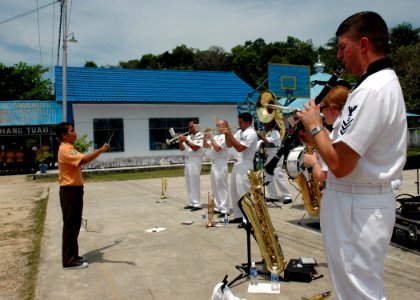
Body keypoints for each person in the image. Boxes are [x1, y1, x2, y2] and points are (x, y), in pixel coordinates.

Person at [297, 11, 407, 299]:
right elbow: (344, 151)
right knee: (356, 288)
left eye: (343, 47)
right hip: (359, 201)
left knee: (359, 292)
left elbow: (340, 164)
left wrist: (315, 124)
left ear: (364, 44)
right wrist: (315, 137)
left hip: (356, 203)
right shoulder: (380, 84)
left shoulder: (371, 91)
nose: (339, 56)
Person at [55, 122, 110, 269]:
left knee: (74, 225)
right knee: (70, 226)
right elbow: (84, 160)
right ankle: (69, 261)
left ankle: (73, 255)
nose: (75, 133)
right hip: (69, 192)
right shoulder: (66, 150)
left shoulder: (69, 148)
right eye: (72, 131)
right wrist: (101, 150)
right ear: (64, 135)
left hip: (74, 191)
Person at [302, 82, 350, 185]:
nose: (321, 113)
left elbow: (324, 176)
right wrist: (315, 143)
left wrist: (313, 162)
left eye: (322, 108)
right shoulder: (342, 127)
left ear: (331, 108)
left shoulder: (341, 130)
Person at [224, 112, 258, 227]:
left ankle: (248, 219)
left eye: (241, 122)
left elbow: (239, 148)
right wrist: (226, 134)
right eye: (239, 122)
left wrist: (231, 135)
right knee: (234, 191)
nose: (239, 124)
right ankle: (238, 215)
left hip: (246, 164)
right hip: (237, 164)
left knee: (244, 192)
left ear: (248, 122)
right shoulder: (240, 132)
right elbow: (229, 145)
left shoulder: (251, 133)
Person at [257, 119, 292, 204]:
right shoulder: (269, 133)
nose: (264, 125)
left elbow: (270, 143)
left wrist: (261, 136)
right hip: (269, 158)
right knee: (267, 177)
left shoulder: (275, 133)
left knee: (277, 176)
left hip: (276, 157)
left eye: (266, 124)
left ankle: (287, 196)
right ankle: (273, 196)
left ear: (271, 124)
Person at [202, 120, 230, 216]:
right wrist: (205, 136)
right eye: (216, 125)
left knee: (222, 186)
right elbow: (205, 145)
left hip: (221, 162)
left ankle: (225, 209)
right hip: (214, 163)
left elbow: (218, 148)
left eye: (219, 125)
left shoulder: (225, 136)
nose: (217, 127)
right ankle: (218, 207)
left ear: (225, 125)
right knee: (215, 186)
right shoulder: (217, 136)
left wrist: (211, 137)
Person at [178, 121, 203, 211]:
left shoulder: (200, 135)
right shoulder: (189, 136)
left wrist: (186, 140)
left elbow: (195, 148)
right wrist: (180, 141)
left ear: (196, 127)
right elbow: (182, 149)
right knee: (188, 182)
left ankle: (197, 203)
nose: (189, 129)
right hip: (187, 159)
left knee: (194, 181)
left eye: (191, 127)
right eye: (188, 127)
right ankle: (192, 201)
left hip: (195, 159)